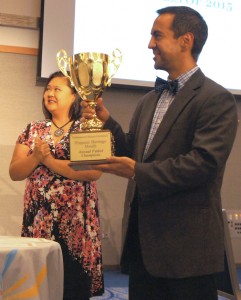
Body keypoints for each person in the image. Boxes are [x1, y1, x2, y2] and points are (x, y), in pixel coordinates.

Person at [81, 6, 238, 300]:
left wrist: (136, 171)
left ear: (185, 41)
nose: (149, 44)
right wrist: (106, 121)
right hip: (144, 247)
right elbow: (136, 150)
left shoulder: (216, 99)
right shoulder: (149, 99)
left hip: (188, 253)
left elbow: (203, 164)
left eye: (157, 35)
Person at [9, 71, 104, 300]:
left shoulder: (86, 127)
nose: (50, 93)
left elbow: (93, 171)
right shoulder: (32, 129)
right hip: (38, 222)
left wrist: (49, 161)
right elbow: (14, 172)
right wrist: (35, 158)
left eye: (57, 89)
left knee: (72, 288)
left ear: (74, 97)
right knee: (38, 288)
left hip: (76, 225)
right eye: (48, 89)